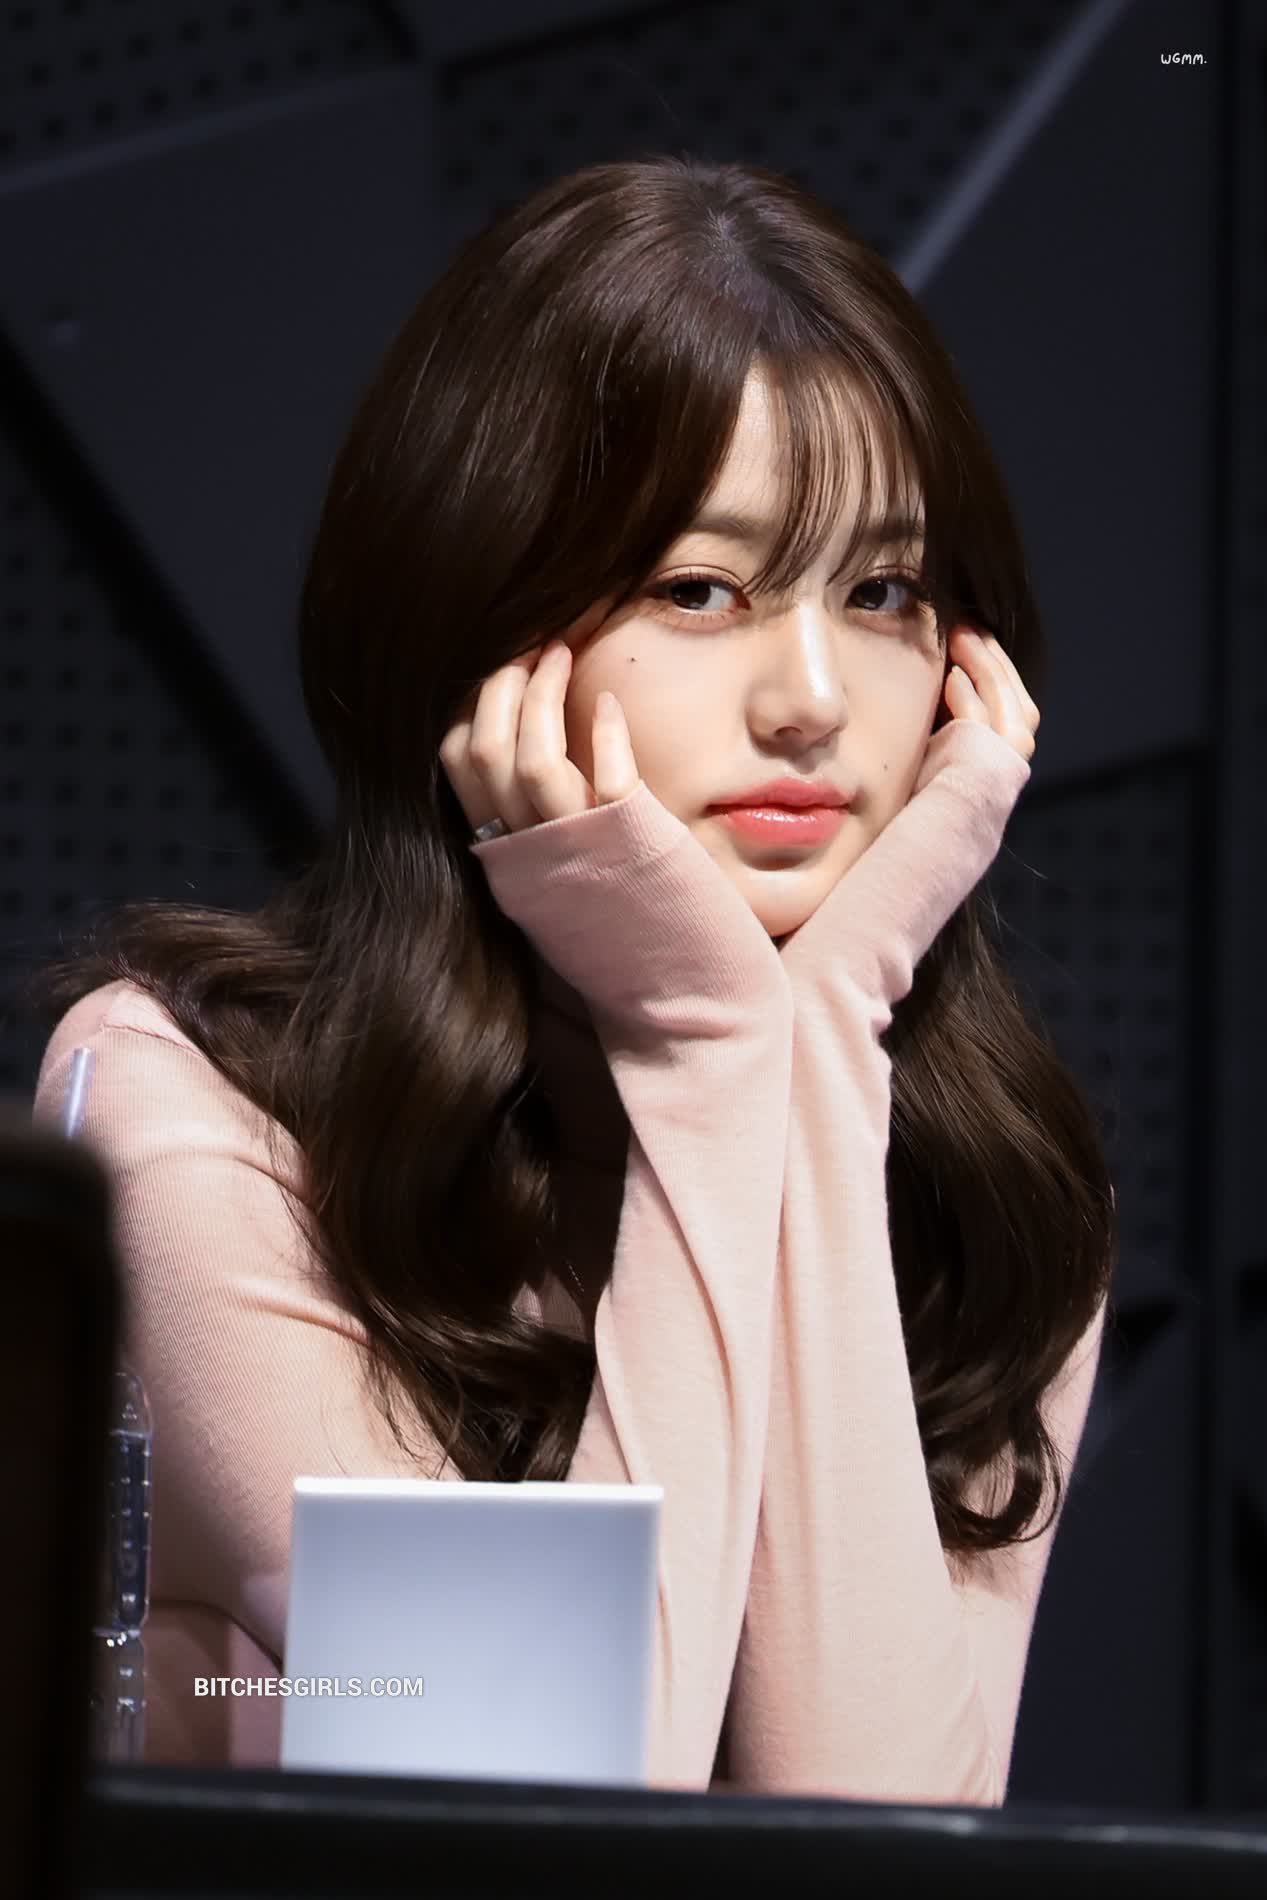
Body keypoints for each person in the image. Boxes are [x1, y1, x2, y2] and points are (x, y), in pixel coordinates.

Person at [29, 153, 1115, 1799]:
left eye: (884, 591)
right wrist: (700, 1042)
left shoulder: (999, 1201)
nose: (815, 699)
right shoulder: (192, 1118)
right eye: (700, 590)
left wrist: (816, 1035)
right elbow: (550, 1811)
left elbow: (882, 1837)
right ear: (480, 630)